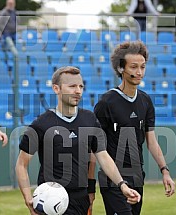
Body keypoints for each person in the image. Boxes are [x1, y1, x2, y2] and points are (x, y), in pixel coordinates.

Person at [16, 66, 141, 215]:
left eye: (81, 86)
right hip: (50, 200)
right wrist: (28, 198)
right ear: (56, 89)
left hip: (81, 200)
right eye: (72, 86)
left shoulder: (90, 119)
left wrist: (122, 185)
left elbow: (103, 156)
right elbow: (21, 164)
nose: (78, 91)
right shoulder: (41, 124)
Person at [94, 41, 175, 215]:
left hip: (137, 176)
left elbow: (151, 141)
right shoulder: (106, 103)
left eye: (143, 67)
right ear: (121, 69)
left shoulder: (146, 101)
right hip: (113, 180)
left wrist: (165, 171)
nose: (139, 72)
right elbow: (95, 147)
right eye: (133, 67)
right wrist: (88, 187)